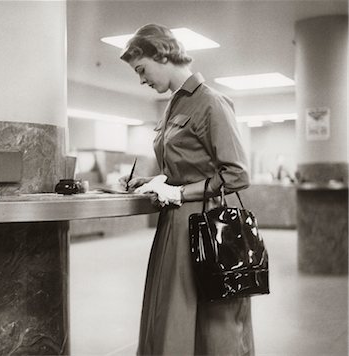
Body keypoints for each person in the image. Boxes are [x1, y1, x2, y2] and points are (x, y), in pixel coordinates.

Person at [118, 24, 254, 356]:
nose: (141, 80)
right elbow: (182, 166)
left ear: (161, 54)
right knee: (172, 315)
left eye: (141, 69)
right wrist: (154, 180)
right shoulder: (174, 106)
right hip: (176, 225)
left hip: (207, 226)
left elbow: (236, 174)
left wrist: (180, 193)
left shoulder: (211, 102)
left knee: (213, 319)